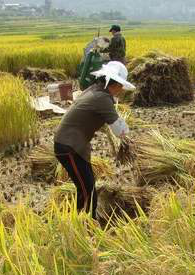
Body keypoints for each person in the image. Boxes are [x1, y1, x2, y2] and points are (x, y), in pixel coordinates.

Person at [54, 61, 135, 219]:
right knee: (87, 190)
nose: (122, 90)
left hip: (70, 145)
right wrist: (128, 135)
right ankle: (85, 226)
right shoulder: (102, 98)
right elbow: (120, 130)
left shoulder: (94, 90)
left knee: (85, 187)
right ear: (116, 84)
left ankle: (81, 222)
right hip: (69, 147)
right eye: (121, 86)